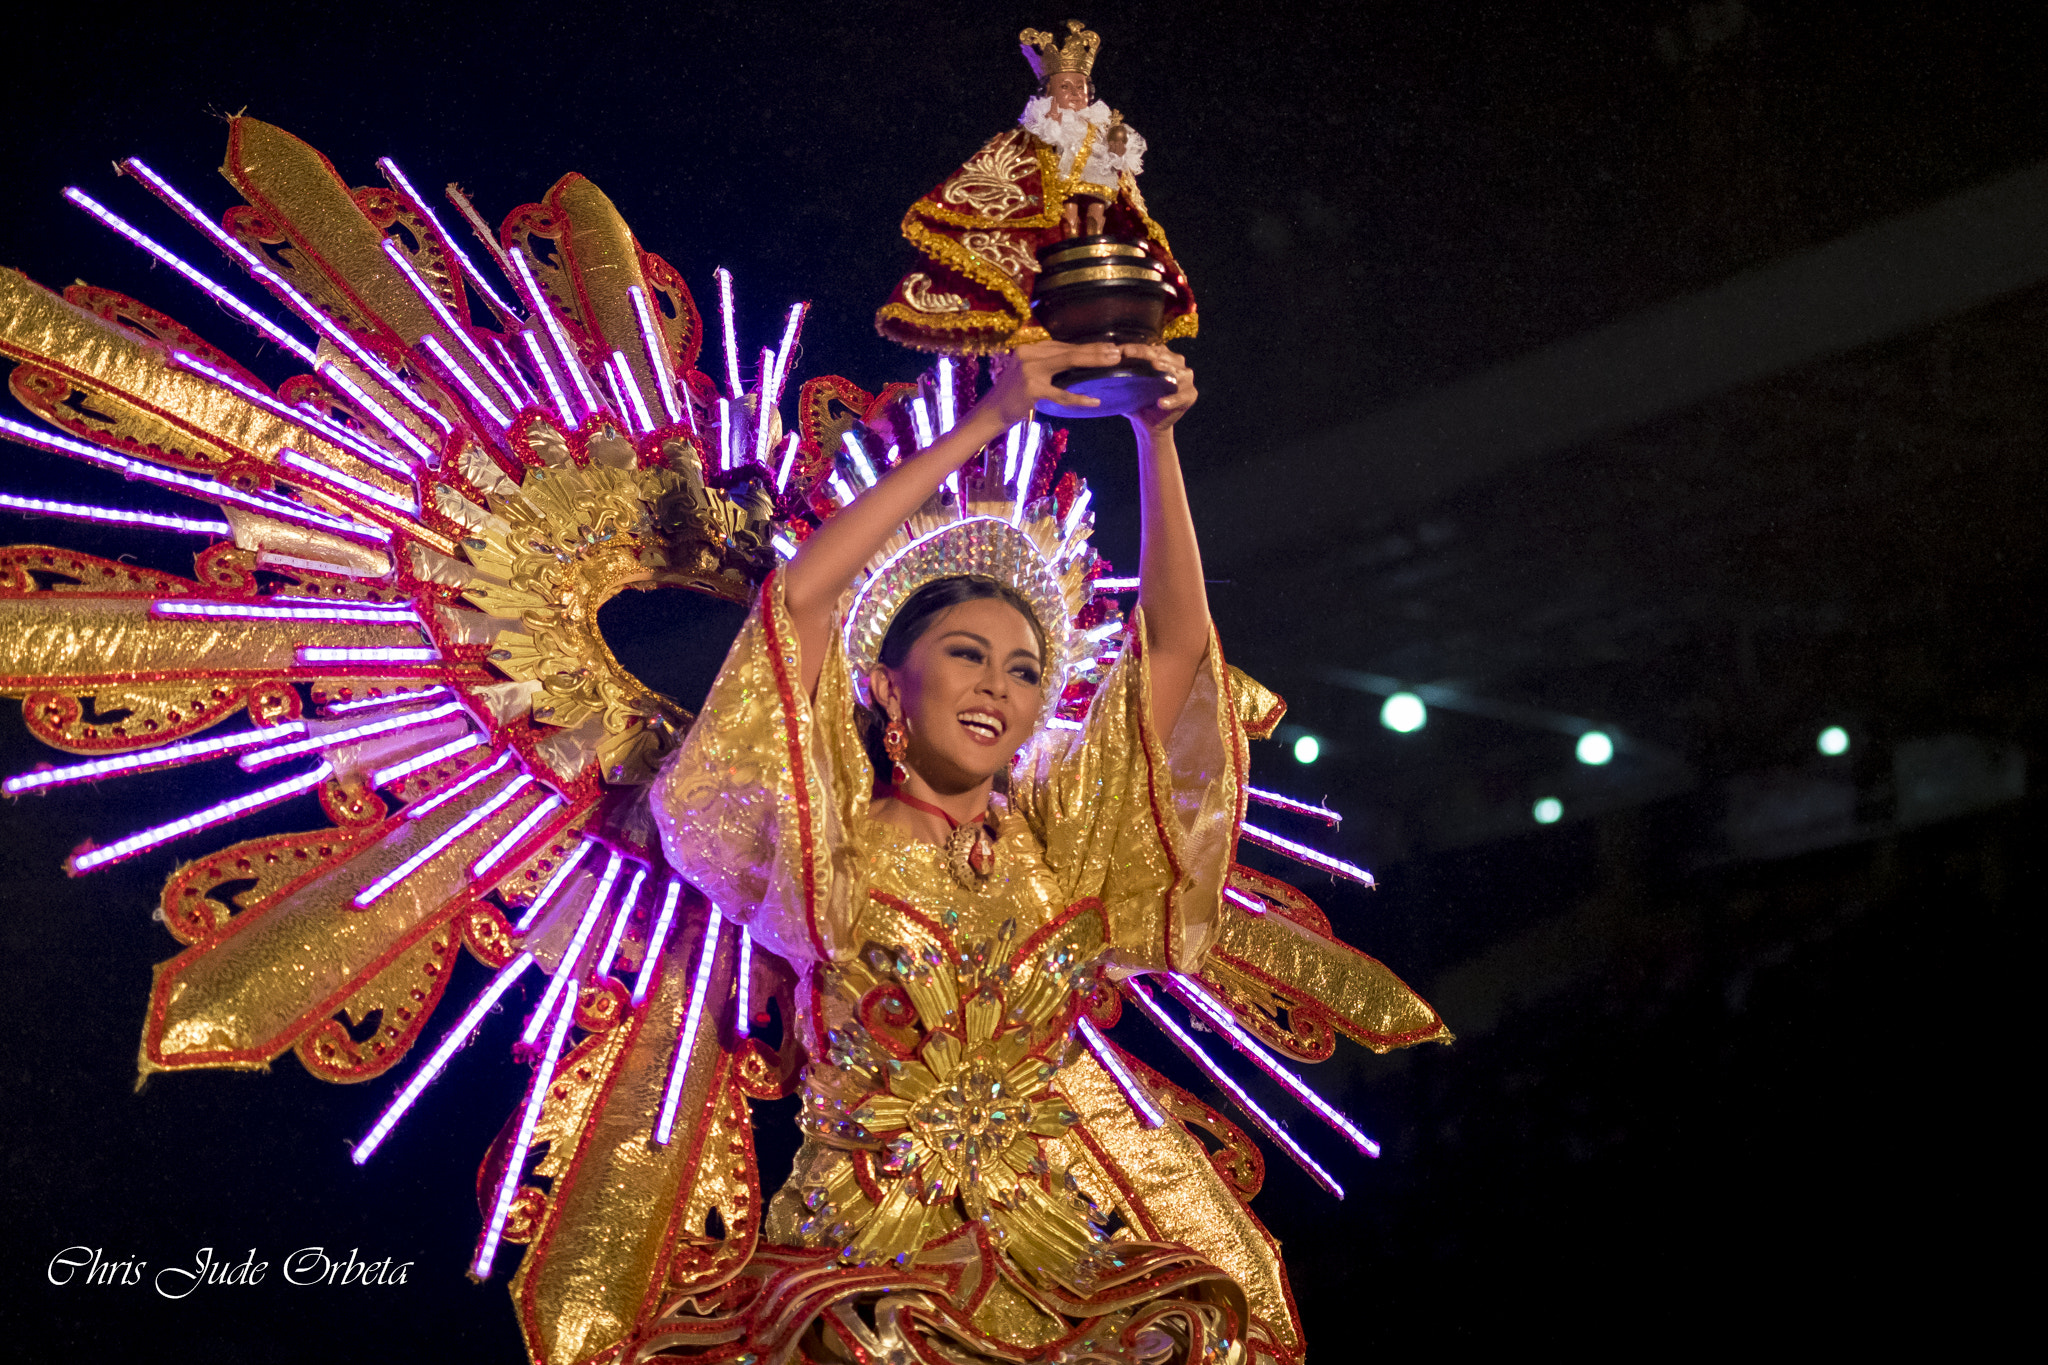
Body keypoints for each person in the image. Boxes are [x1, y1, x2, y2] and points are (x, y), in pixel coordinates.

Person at [652, 342, 1281, 1363]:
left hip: (1050, 1266)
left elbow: (1172, 652)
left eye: (1026, 670)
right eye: (965, 655)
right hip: (861, 1275)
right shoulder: (829, 850)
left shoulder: (1061, 846)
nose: (997, 687)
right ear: (890, 686)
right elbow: (800, 606)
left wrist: (1153, 438)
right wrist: (986, 422)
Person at [876, 22, 1197, 355]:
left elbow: (1121, 160)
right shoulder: (1040, 127)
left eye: (1082, 87)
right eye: (1066, 87)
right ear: (1050, 92)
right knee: (1069, 220)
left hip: (1097, 184)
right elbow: (1012, 163)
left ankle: (1089, 252)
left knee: (1099, 219)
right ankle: (1072, 254)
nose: (1075, 94)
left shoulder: (1100, 125)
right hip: (1055, 197)